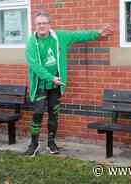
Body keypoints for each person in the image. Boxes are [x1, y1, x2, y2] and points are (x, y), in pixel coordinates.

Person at [24, 12, 112, 156]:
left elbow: (78, 36)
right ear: (35, 26)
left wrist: (97, 33)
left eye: (44, 23)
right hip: (41, 84)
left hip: (56, 85)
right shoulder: (31, 42)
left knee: (54, 115)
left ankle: (51, 143)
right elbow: (34, 65)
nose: (41, 26)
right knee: (38, 113)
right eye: (39, 23)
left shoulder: (60, 37)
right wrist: (50, 77)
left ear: (49, 25)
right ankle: (34, 144)